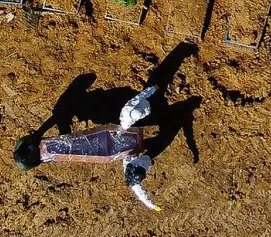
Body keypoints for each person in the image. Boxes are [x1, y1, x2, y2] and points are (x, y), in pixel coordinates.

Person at [14, 86, 162, 211]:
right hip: (113, 143)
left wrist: (151, 89)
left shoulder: (50, 149)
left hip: (112, 142)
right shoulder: (51, 149)